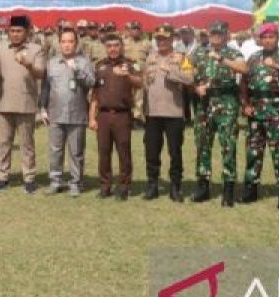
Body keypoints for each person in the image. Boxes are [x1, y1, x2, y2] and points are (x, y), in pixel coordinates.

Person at [240, 23, 279, 208]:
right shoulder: (253, 58)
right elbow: (243, 82)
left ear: (277, 38)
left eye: (271, 37)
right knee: (253, 153)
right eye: (264, 37)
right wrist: (245, 103)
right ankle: (250, 190)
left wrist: (278, 68)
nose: (267, 40)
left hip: (277, 113)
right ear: (260, 39)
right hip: (256, 113)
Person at [192, 20, 248, 207]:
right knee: (202, 145)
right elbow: (186, 72)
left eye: (219, 33)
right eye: (213, 33)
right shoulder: (198, 52)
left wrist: (222, 59)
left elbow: (244, 68)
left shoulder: (233, 52)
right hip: (204, 105)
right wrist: (195, 86)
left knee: (228, 146)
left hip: (227, 104)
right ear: (208, 34)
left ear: (226, 34)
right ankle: (203, 187)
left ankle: (228, 190)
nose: (216, 36)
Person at [39, 27, 96, 197]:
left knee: (76, 151)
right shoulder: (52, 63)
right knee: (55, 150)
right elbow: (46, 88)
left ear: (76, 43)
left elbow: (92, 83)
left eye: (70, 41)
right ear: (59, 43)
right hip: (56, 114)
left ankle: (75, 183)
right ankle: (55, 181)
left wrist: (77, 70)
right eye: (63, 41)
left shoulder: (84, 62)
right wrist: (42, 108)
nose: (67, 45)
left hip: (77, 114)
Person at [0, 15, 46, 193]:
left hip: (26, 103)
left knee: (27, 144)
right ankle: (2, 176)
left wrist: (28, 65)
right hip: (4, 103)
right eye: (12, 31)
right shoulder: (2, 48)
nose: (15, 34)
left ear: (27, 32)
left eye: (19, 31)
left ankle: (29, 178)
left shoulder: (36, 49)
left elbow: (40, 74)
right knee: (4, 143)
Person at [141, 25, 193, 202]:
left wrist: (170, 72)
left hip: (174, 113)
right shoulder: (150, 58)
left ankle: (175, 186)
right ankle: (152, 185)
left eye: (164, 38)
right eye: (158, 39)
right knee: (152, 151)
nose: (161, 41)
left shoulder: (182, 58)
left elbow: (189, 78)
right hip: (153, 112)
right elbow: (145, 82)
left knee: (175, 152)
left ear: (172, 39)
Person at [89, 34, 141, 200]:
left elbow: (140, 82)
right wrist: (92, 118)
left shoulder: (130, 64)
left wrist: (127, 76)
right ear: (106, 47)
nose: (113, 48)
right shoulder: (99, 66)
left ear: (121, 46)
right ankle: (105, 186)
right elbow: (95, 95)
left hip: (122, 115)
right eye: (109, 45)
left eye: (116, 45)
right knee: (103, 152)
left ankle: (124, 187)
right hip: (103, 115)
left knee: (123, 152)